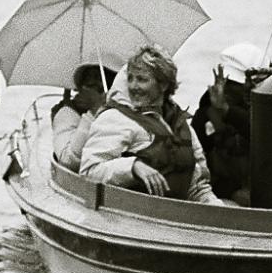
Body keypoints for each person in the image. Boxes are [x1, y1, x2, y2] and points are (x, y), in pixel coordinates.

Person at [80, 45, 222, 204]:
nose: (133, 86)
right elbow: (89, 172)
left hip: (177, 216)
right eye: (130, 78)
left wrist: (217, 209)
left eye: (142, 79)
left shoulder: (181, 125)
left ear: (163, 85)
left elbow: (197, 186)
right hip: (132, 215)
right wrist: (132, 167)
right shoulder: (115, 119)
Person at [191, 42, 267, 206]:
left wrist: (228, 112)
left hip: (265, 192)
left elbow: (263, 135)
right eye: (228, 84)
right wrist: (230, 191)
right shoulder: (206, 115)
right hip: (223, 196)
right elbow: (197, 162)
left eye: (236, 84)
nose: (229, 90)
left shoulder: (268, 111)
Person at [51, 63, 117, 171]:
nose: (98, 93)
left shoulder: (118, 113)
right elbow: (67, 160)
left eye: (103, 86)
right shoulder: (66, 114)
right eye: (91, 85)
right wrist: (93, 112)